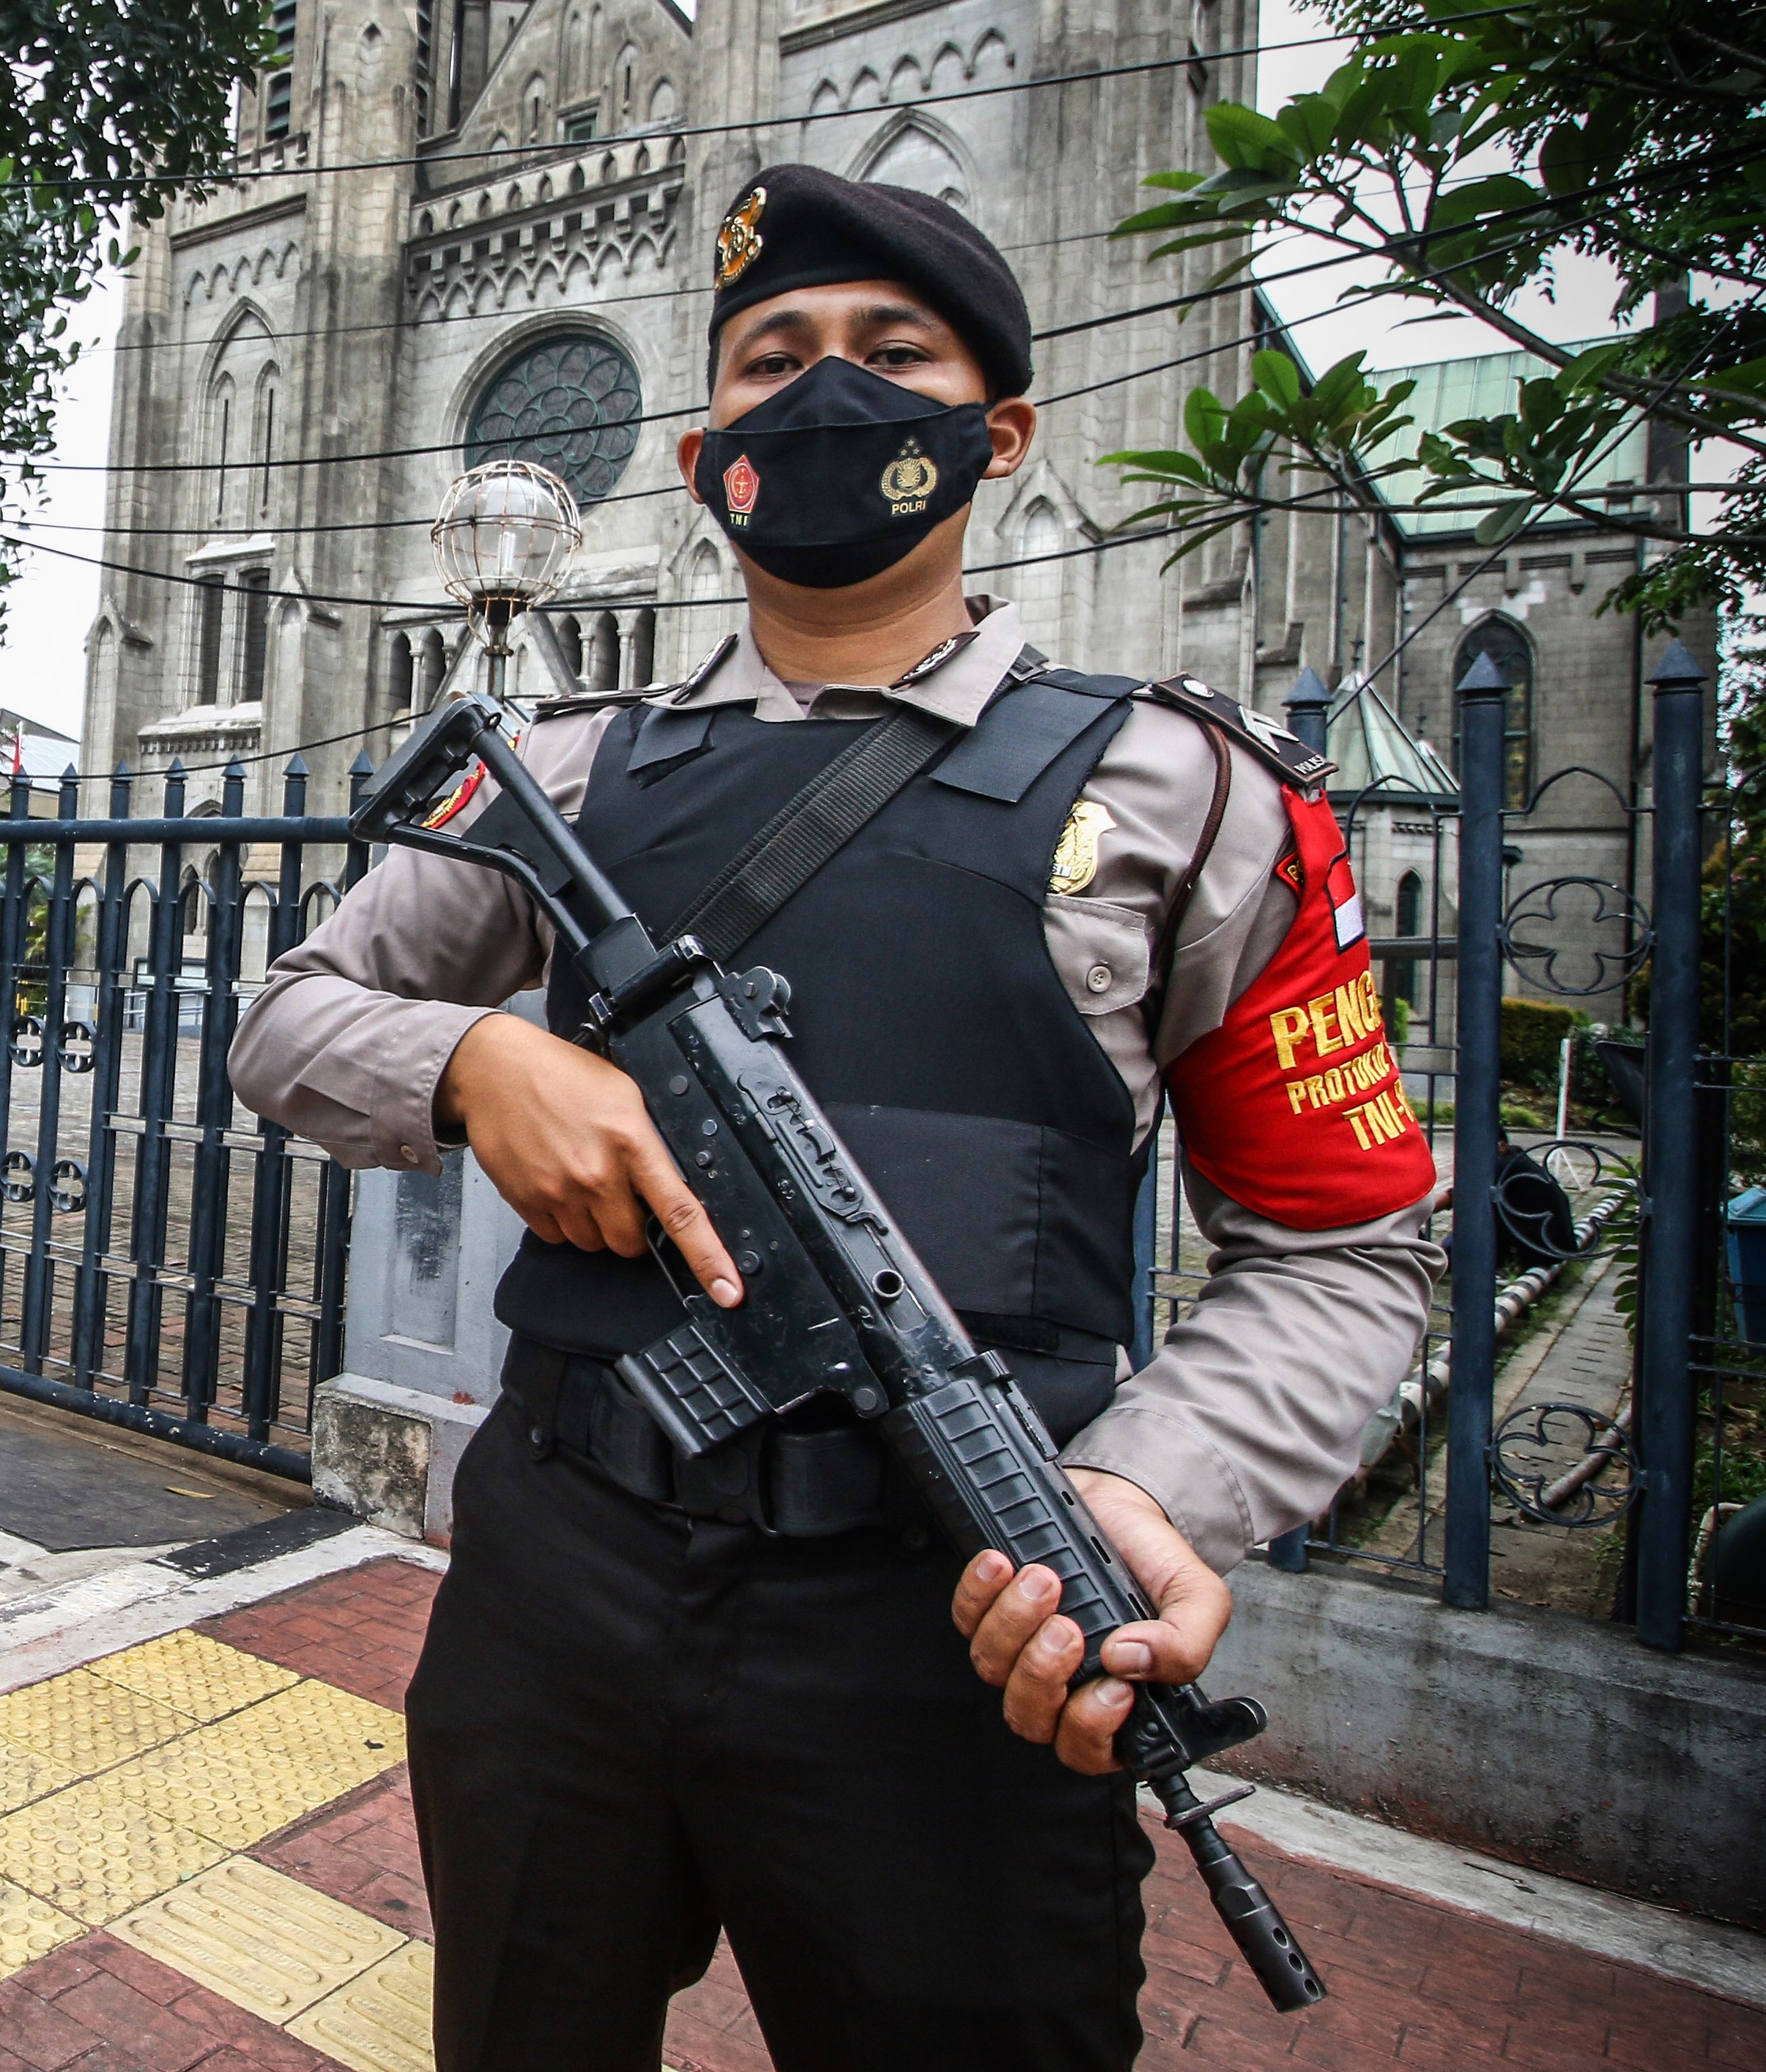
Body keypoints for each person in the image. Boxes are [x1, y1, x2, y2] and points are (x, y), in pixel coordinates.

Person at [228, 166, 1442, 2072]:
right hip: (562, 1566)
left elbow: (1344, 1247)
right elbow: (286, 1015)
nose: (824, 397)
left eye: (890, 353)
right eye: (771, 361)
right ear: (705, 449)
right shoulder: (565, 767)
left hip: (960, 1619)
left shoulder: (1186, 789)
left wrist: (1141, 1492)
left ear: (997, 428)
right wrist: (471, 1067)